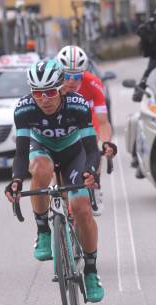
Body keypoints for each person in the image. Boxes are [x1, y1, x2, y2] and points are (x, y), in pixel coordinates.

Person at [4, 59, 105, 303]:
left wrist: (91, 171)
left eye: (49, 92)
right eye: (37, 93)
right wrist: (16, 180)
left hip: (74, 154)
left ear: (61, 88)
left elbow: (92, 149)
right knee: (40, 167)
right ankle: (43, 231)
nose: (43, 99)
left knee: (81, 209)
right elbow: (20, 153)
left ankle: (91, 272)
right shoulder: (24, 109)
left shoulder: (77, 105)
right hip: (44, 151)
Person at [56, 45, 117, 216]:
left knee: (94, 146)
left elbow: (103, 122)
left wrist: (106, 142)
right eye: (67, 76)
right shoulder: (52, 87)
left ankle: (95, 189)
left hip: (86, 124)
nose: (71, 81)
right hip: (61, 127)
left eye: (77, 76)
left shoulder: (93, 83)